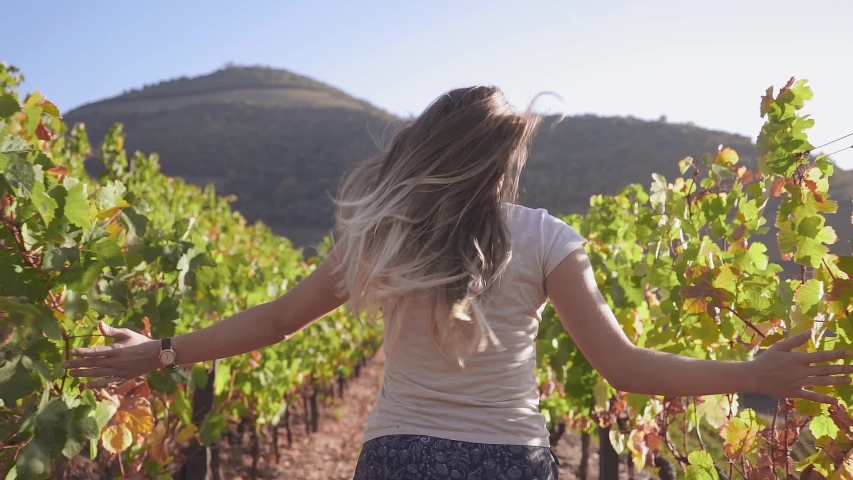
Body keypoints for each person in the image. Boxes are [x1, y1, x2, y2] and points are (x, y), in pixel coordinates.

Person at [64, 86, 852, 480]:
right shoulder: (547, 237)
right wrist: (751, 373)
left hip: (396, 454)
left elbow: (272, 323)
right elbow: (623, 367)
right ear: (503, 158)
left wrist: (156, 353)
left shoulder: (378, 235)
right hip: (509, 459)